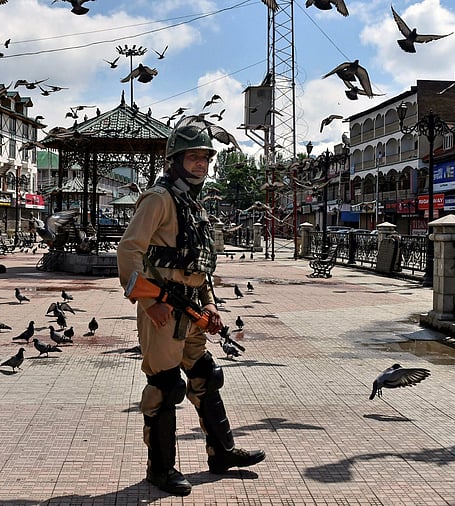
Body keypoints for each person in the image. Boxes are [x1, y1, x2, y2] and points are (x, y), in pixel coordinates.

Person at [117, 121, 266, 496]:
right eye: (194, 157)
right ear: (176, 160)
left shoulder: (193, 204)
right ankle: (160, 470)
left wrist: (211, 303)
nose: (201, 164)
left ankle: (222, 453)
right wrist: (149, 302)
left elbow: (202, 263)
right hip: (164, 310)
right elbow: (129, 250)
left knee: (205, 376)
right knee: (165, 387)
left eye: (205, 158)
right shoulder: (159, 199)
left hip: (194, 310)